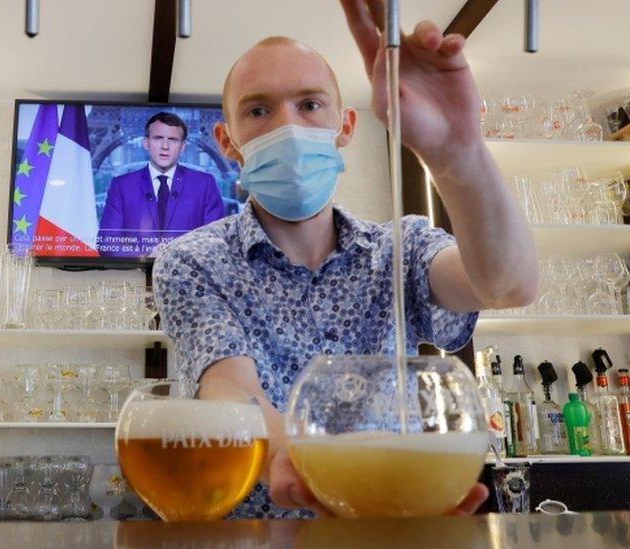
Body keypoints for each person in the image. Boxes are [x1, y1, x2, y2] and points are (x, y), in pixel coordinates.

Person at [152, 0, 539, 519]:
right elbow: (227, 385)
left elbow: (507, 283)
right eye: (259, 110)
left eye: (310, 104)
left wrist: (458, 150)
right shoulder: (191, 261)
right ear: (228, 141)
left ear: (345, 125)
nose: (287, 126)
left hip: (389, 524)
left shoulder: (401, 249)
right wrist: (290, 457)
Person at [97, 112, 225, 257]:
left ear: (182, 147)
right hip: (135, 275)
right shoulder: (121, 186)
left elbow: (215, 241)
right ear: (146, 143)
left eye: (173, 140)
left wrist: (176, 257)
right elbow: (107, 243)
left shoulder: (204, 183)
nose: (165, 146)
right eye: (158, 138)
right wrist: (146, 255)